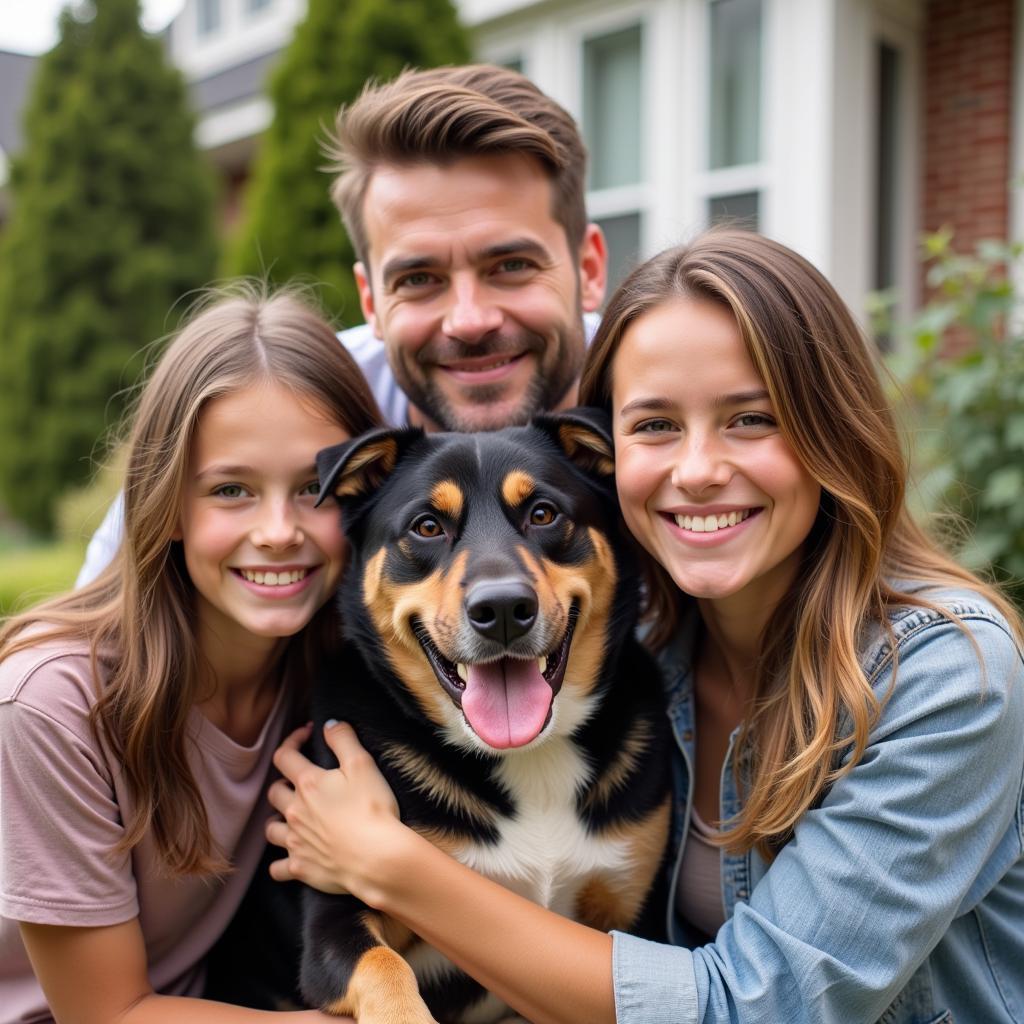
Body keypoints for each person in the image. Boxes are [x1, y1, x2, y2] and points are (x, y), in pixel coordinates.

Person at [265, 231, 1024, 1023]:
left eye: (751, 418)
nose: (697, 470)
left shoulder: (949, 678)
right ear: (611, 453)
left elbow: (757, 1009)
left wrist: (389, 865)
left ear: (830, 431)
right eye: (657, 425)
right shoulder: (652, 656)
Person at [0, 287, 382, 1023]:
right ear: (169, 504)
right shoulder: (51, 705)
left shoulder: (330, 666)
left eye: (314, 489)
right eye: (232, 490)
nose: (278, 531)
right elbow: (108, 1014)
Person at [76, 64, 607, 585]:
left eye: (511, 267)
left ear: (588, 270)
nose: (468, 321)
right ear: (371, 300)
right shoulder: (292, 401)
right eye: (419, 278)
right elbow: (102, 621)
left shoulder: (665, 413)